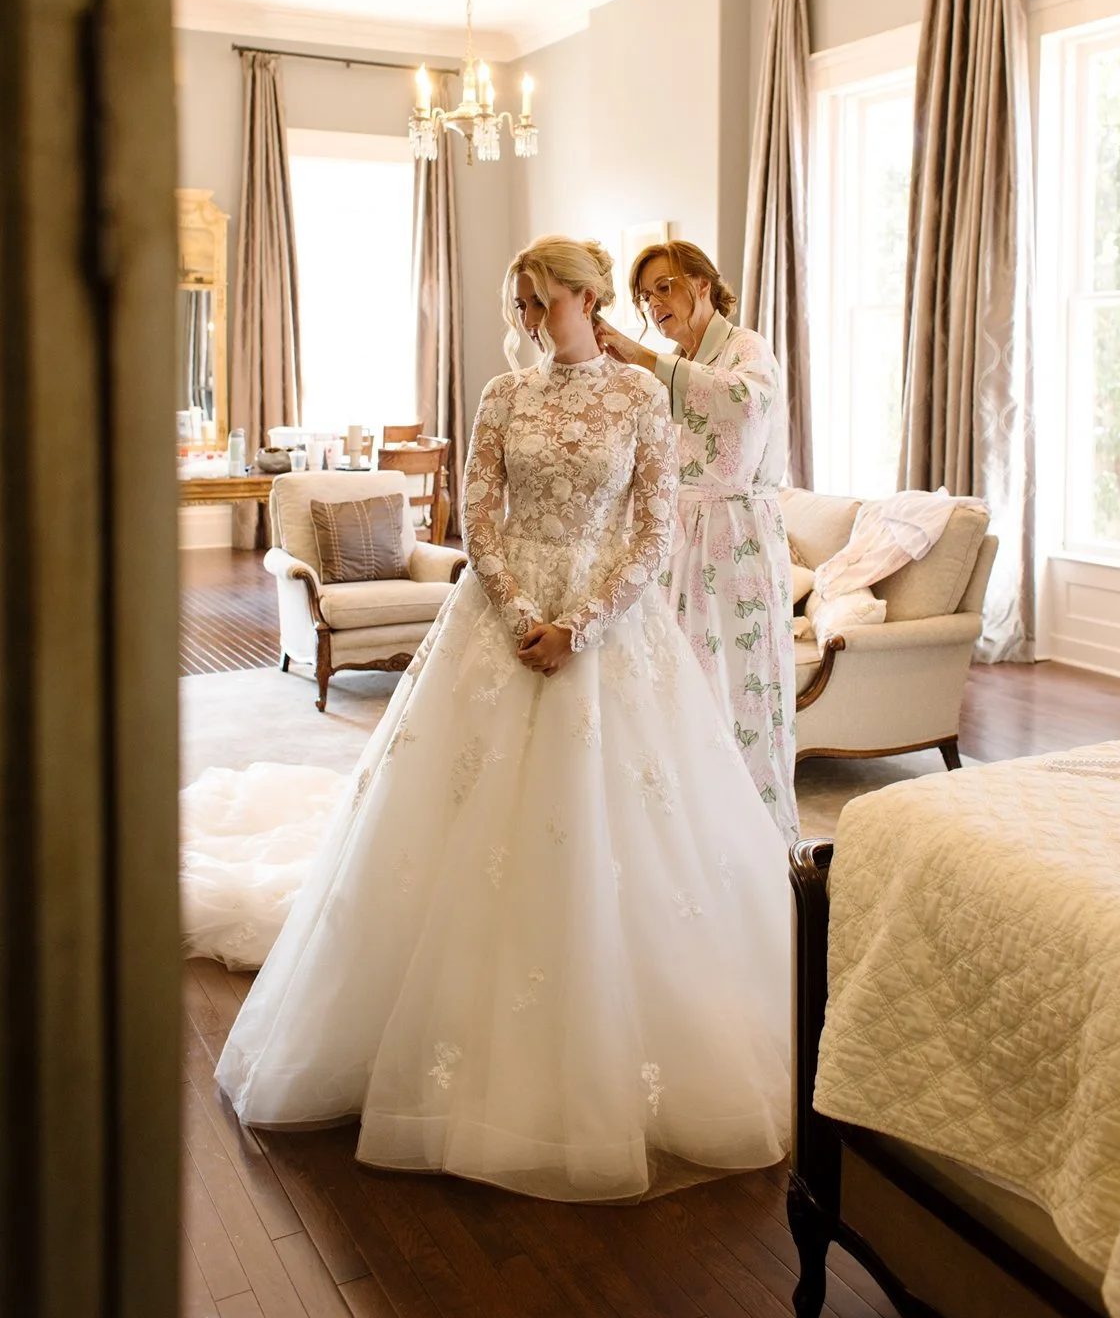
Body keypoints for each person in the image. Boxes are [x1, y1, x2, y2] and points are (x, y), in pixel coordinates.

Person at [211, 235, 790, 1203]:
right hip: (502, 623)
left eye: (539, 303)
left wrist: (586, 623)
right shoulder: (502, 397)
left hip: (611, 631)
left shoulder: (644, 397)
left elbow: (653, 525)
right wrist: (525, 614)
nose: (526, 323)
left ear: (582, 298)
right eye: (518, 306)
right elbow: (477, 518)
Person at [595, 241, 798, 841]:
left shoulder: (746, 349)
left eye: (664, 287)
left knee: (736, 688)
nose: (654, 304)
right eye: (645, 296)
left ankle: (751, 837)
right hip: (677, 548)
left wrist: (642, 357)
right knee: (677, 687)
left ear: (702, 284)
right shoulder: (671, 365)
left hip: (737, 545)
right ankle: (688, 838)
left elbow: (739, 405)